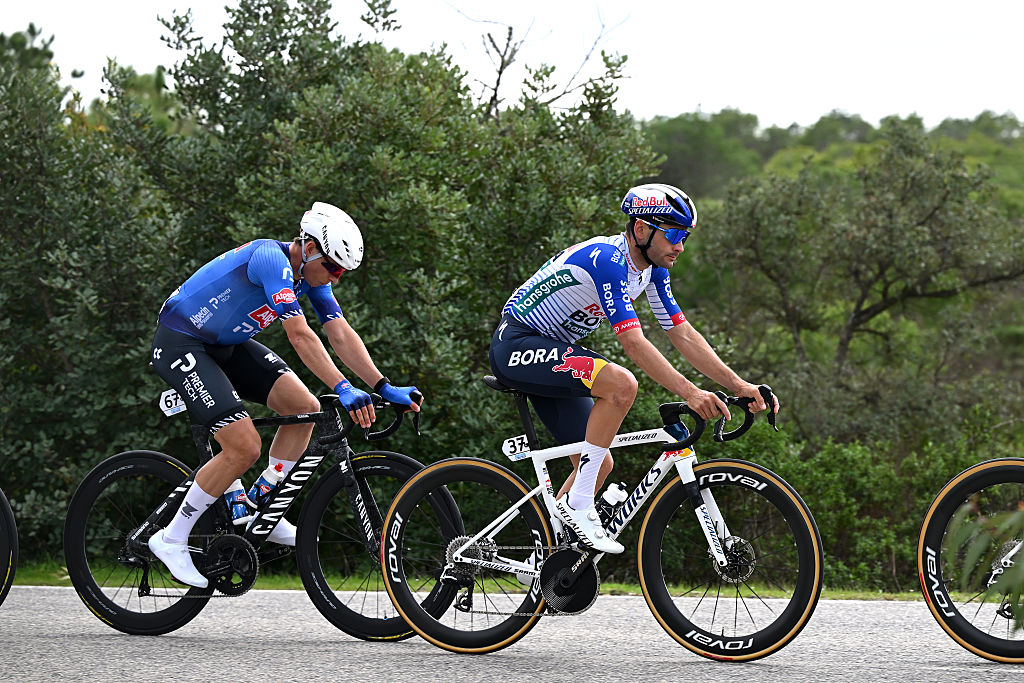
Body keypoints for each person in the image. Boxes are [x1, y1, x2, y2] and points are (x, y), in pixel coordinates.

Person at [488, 183, 778, 554]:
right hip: (516, 344)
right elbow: (634, 342)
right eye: (673, 234)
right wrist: (690, 393)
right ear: (641, 230)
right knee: (620, 384)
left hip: (554, 351)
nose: (681, 246)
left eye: (685, 236)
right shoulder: (608, 259)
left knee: (598, 463)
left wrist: (739, 385)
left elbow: (682, 333)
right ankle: (578, 507)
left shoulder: (653, 270)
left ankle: (550, 560)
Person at [148, 201, 423, 587]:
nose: (336, 277)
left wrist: (383, 385)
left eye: (343, 272)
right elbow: (299, 335)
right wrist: (342, 388)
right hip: (182, 344)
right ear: (309, 247)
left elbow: (338, 332)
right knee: (243, 446)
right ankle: (171, 537)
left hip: (224, 346)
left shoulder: (311, 276)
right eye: (332, 267)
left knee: (304, 409)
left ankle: (257, 506)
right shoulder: (269, 260)